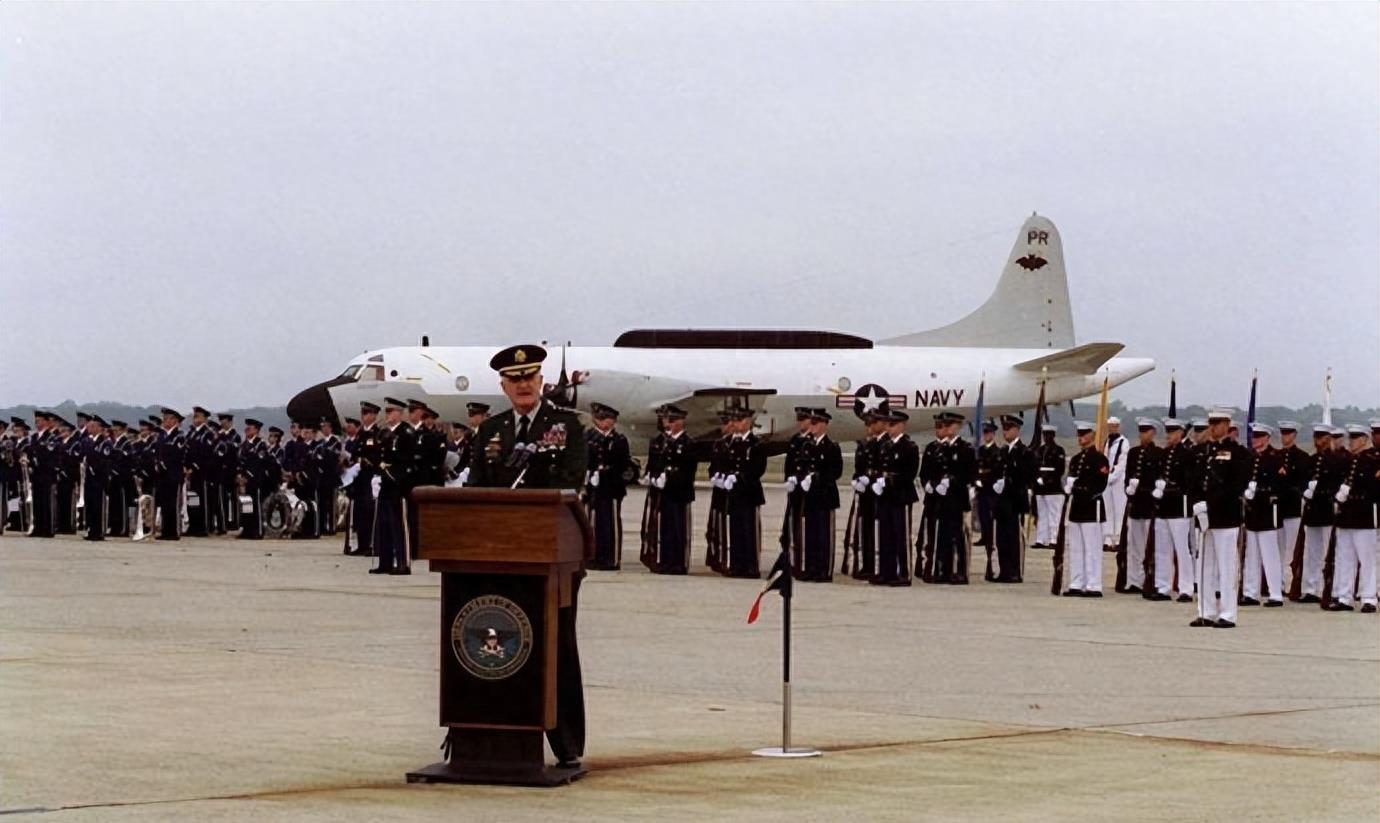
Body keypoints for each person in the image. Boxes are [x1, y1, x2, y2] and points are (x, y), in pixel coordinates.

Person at [464, 344, 587, 768]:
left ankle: (566, 741)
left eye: (529, 378)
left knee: (556, 647)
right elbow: (476, 487)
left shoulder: (567, 427)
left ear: (540, 382)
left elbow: (573, 483)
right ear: (503, 386)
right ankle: (493, 734)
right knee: (498, 639)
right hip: (498, 557)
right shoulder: (490, 430)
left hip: (552, 557)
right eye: (514, 381)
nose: (522, 386)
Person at [1327, 424, 1380, 612]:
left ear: (1365, 440)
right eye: (1351, 438)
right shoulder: (1346, 460)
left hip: (1364, 513)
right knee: (1344, 557)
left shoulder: (1373, 459)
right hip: (1346, 513)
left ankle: (1369, 597)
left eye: (1356, 439)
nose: (1352, 442)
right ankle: (1344, 596)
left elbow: (1375, 487)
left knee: (1367, 558)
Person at [919, 411, 976, 584]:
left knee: (956, 536)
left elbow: (970, 474)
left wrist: (952, 483)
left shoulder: (965, 449)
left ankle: (959, 571)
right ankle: (939, 569)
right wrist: (928, 484)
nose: (944, 429)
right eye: (941, 425)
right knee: (937, 536)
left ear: (957, 427)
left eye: (948, 425)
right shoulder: (934, 448)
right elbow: (926, 472)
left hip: (955, 499)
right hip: (936, 499)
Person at [1296, 423, 1347, 603]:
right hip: (1313, 511)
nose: (1320, 441)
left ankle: (1329, 587)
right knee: (1311, 552)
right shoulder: (1311, 460)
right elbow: (1302, 480)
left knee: (1329, 551)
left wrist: (1324, 492)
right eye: (1317, 438)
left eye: (1323, 438)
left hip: (1327, 510)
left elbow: (1338, 482)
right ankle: (1311, 588)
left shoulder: (1338, 460)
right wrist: (1306, 491)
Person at [646, 404, 697, 574]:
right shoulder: (660, 442)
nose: (669, 424)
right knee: (664, 529)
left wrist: (669, 478)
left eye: (673, 420)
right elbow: (654, 462)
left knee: (678, 529)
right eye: (666, 420)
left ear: (681, 421)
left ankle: (678, 563)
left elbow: (688, 470)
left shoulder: (688, 443)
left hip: (679, 493)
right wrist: (653, 476)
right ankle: (665, 560)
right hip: (663, 493)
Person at [1061, 421, 1109, 597]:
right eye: (1079, 433)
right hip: (1077, 508)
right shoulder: (1075, 460)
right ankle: (1076, 582)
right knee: (1076, 548)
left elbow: (1099, 485)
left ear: (1092, 435)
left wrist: (1078, 488)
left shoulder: (1099, 459)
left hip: (1091, 507)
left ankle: (1094, 584)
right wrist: (1070, 488)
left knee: (1092, 548)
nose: (1080, 437)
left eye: (1084, 433)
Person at [872, 409, 919, 586]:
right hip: (885, 497)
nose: (889, 428)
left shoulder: (909, 447)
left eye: (892, 425)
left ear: (902, 426)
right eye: (888, 424)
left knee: (901, 536)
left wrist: (889, 480)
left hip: (901, 496)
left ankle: (903, 573)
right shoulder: (884, 446)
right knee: (885, 536)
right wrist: (878, 479)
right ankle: (886, 571)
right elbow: (879, 466)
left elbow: (909, 474)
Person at [1241, 424, 1285, 607]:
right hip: (1253, 510)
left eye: (1259, 437)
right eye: (1254, 437)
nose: (1255, 440)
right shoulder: (1250, 457)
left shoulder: (1275, 458)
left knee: (1270, 553)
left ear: (1267, 437)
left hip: (1268, 510)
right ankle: (1251, 592)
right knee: (1252, 554)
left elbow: (1281, 484)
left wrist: (1260, 490)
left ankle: (1275, 593)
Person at [1149, 419, 1193, 602]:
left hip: (1178, 507)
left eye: (1173, 431)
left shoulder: (1186, 455)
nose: (1169, 435)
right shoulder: (1164, 453)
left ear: (1181, 433)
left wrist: (1169, 487)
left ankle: (1186, 588)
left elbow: (1188, 482)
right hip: (1163, 508)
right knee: (1162, 550)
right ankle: (1162, 586)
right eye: (1167, 431)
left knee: (1182, 550)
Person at [371, 398, 415, 575]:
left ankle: (403, 562)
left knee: (399, 524)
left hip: (398, 483)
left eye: (391, 411)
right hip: (386, 483)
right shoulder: (384, 433)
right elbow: (378, 455)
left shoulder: (406, 433)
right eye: (386, 411)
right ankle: (385, 561)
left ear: (400, 413)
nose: (387, 415)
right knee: (384, 523)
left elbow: (406, 461)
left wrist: (392, 474)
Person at [584, 402, 630, 571]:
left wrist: (606, 474)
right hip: (592, 488)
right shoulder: (587, 437)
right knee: (592, 522)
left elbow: (623, 465)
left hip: (611, 488)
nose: (602, 422)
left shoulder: (619, 440)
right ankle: (593, 557)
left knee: (610, 524)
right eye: (599, 418)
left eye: (606, 419)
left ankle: (611, 558)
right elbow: (582, 460)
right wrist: (588, 475)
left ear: (613, 420)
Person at [798, 408, 842, 582]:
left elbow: (835, 471)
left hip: (825, 495)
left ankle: (824, 570)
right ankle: (811, 567)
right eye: (811, 422)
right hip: (810, 497)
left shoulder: (831, 447)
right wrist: (802, 478)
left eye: (815, 423)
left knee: (824, 535)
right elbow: (802, 465)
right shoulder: (807, 445)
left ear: (824, 425)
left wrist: (816, 478)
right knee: (811, 535)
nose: (812, 426)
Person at [1120, 419, 1164, 594]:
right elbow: (1128, 475)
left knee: (1152, 546)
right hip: (1136, 505)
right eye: (1141, 431)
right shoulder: (1133, 452)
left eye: (1146, 431)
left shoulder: (1158, 453)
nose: (1142, 435)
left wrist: (1151, 491)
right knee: (1134, 546)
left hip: (1150, 504)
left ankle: (1152, 579)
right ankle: (1134, 581)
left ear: (1152, 432)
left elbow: (1158, 478)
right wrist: (1128, 489)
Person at [723, 408, 768, 579]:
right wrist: (726, 476)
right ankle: (736, 565)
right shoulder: (730, 443)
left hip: (749, 493)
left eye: (740, 420)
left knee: (750, 531)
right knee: (736, 531)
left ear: (748, 421)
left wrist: (739, 477)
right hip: (734, 494)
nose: (736, 423)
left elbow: (758, 468)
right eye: (734, 420)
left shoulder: (756, 444)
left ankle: (751, 566)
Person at [992, 413, 1035, 583]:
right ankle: (1004, 570)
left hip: (1015, 501)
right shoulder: (1003, 450)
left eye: (1008, 429)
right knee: (1001, 538)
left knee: (1014, 537)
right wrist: (996, 482)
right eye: (1004, 429)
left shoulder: (1024, 452)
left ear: (1017, 430)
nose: (1005, 432)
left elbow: (1028, 475)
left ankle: (1015, 571)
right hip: (1002, 502)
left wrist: (1009, 482)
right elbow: (997, 470)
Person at [845, 409, 888, 580]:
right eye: (867, 424)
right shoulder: (865, 444)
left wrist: (877, 480)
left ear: (882, 423)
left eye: (872, 423)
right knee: (865, 529)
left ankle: (879, 566)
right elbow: (860, 467)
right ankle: (867, 564)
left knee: (878, 531)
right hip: (866, 492)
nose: (868, 427)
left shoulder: (886, 444)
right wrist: (858, 479)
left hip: (879, 491)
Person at [1273, 421, 1308, 596]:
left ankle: (1290, 583)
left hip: (1293, 508)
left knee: (1291, 550)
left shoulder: (1302, 457)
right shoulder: (1276, 456)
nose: (1285, 437)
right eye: (1283, 433)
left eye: (1288, 434)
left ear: (1294, 435)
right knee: (1278, 548)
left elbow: (1302, 483)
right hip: (1278, 509)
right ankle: (1279, 583)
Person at [781, 407, 814, 573]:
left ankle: (802, 560)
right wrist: (788, 478)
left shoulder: (813, 440)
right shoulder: (795, 440)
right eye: (799, 419)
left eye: (804, 419)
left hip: (807, 488)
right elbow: (790, 462)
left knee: (804, 523)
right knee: (790, 521)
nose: (800, 423)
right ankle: (790, 556)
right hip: (795, 488)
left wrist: (807, 478)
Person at [1032, 424, 1066, 549]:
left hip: (1053, 488)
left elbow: (1060, 470)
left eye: (1049, 435)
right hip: (1041, 488)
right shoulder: (1039, 450)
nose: (1046, 437)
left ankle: (1053, 539)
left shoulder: (1058, 450)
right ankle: (1041, 539)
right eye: (1045, 435)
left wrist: (1048, 480)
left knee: (1053, 515)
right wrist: (1037, 479)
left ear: (1053, 436)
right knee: (1042, 515)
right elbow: (1035, 467)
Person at [154, 408, 186, 541]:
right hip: (162, 474)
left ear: (175, 420)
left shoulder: (179, 436)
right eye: (164, 418)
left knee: (173, 504)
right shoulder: (161, 436)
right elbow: (156, 452)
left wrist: (164, 464)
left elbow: (177, 455)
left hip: (173, 474)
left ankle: (174, 531)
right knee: (165, 504)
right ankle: (166, 531)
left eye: (167, 418)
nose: (164, 420)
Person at [236, 419, 270, 540]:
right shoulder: (244, 445)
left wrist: (248, 475)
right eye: (246, 428)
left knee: (256, 505)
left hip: (256, 480)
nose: (247, 430)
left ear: (256, 430)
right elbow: (240, 461)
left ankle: (258, 530)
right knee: (246, 506)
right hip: (244, 480)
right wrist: (240, 474)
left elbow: (259, 463)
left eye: (250, 428)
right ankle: (247, 529)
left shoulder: (260, 445)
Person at [1102, 417, 1129, 551]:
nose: (1111, 428)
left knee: (1119, 510)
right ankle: (1107, 539)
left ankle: (1118, 539)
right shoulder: (1108, 441)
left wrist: (1111, 477)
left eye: (1114, 426)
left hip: (1118, 480)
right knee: (1108, 510)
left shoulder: (1124, 442)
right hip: (1107, 480)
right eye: (1109, 426)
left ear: (1118, 426)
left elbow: (1121, 463)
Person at [973, 421, 1001, 550]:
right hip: (981, 488)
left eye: (988, 433)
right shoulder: (981, 450)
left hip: (991, 488)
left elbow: (995, 470)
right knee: (982, 514)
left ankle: (991, 538)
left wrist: (983, 475)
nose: (986, 436)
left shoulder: (997, 451)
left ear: (993, 434)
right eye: (984, 433)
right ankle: (984, 536)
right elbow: (977, 467)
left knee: (990, 515)